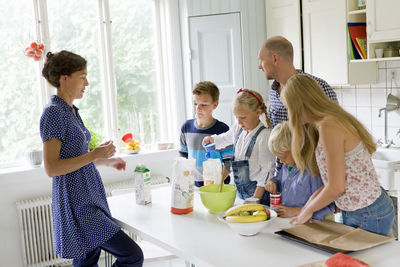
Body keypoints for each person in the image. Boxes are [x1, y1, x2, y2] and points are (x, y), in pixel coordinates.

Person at [40, 50, 144, 266]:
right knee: (132, 256)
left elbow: (76, 157)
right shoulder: (54, 113)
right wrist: (93, 154)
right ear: (64, 78)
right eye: (83, 76)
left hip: (89, 196)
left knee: (87, 261)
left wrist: (104, 158)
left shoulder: (71, 111)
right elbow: (51, 168)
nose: (86, 83)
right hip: (77, 203)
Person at [282, 74, 394, 236]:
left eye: (288, 108)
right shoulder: (324, 124)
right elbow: (332, 181)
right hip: (358, 210)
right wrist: (307, 208)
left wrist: (308, 210)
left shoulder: (329, 126)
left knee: (367, 261)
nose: (288, 114)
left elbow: (336, 188)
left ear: (298, 105)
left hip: (368, 212)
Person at [202, 89, 275, 204]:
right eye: (236, 117)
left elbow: (267, 171)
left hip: (258, 196)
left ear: (257, 112)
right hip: (240, 195)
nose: (239, 122)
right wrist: (212, 139)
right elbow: (225, 138)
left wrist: (255, 198)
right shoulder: (238, 128)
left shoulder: (264, 136)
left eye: (243, 117)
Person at [258, 35, 338, 128]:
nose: (260, 66)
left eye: (261, 60)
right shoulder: (273, 92)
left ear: (275, 59)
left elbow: (335, 128)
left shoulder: (320, 87)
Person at [265, 121, 334, 220]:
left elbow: (328, 207)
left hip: (312, 226)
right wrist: (272, 183)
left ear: (297, 150)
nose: (280, 161)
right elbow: (279, 181)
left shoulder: (313, 172)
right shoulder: (286, 166)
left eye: (283, 157)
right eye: (278, 157)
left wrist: (298, 211)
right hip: (289, 221)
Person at [179, 81, 233, 187]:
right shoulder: (186, 127)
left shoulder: (222, 130)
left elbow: (229, 162)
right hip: (193, 185)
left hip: (217, 187)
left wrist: (217, 182)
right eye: (195, 103)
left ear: (215, 105)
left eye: (203, 104)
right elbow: (183, 156)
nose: (198, 108)